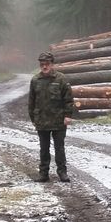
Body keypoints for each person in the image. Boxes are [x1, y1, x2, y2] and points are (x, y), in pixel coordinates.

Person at [28, 51, 77, 182]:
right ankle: (43, 173)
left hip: (58, 121)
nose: (45, 67)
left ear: (52, 64)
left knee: (59, 148)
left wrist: (68, 115)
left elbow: (68, 99)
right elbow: (31, 101)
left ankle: (62, 172)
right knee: (44, 149)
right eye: (42, 64)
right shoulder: (35, 80)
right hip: (42, 121)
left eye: (47, 64)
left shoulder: (61, 79)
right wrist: (33, 118)